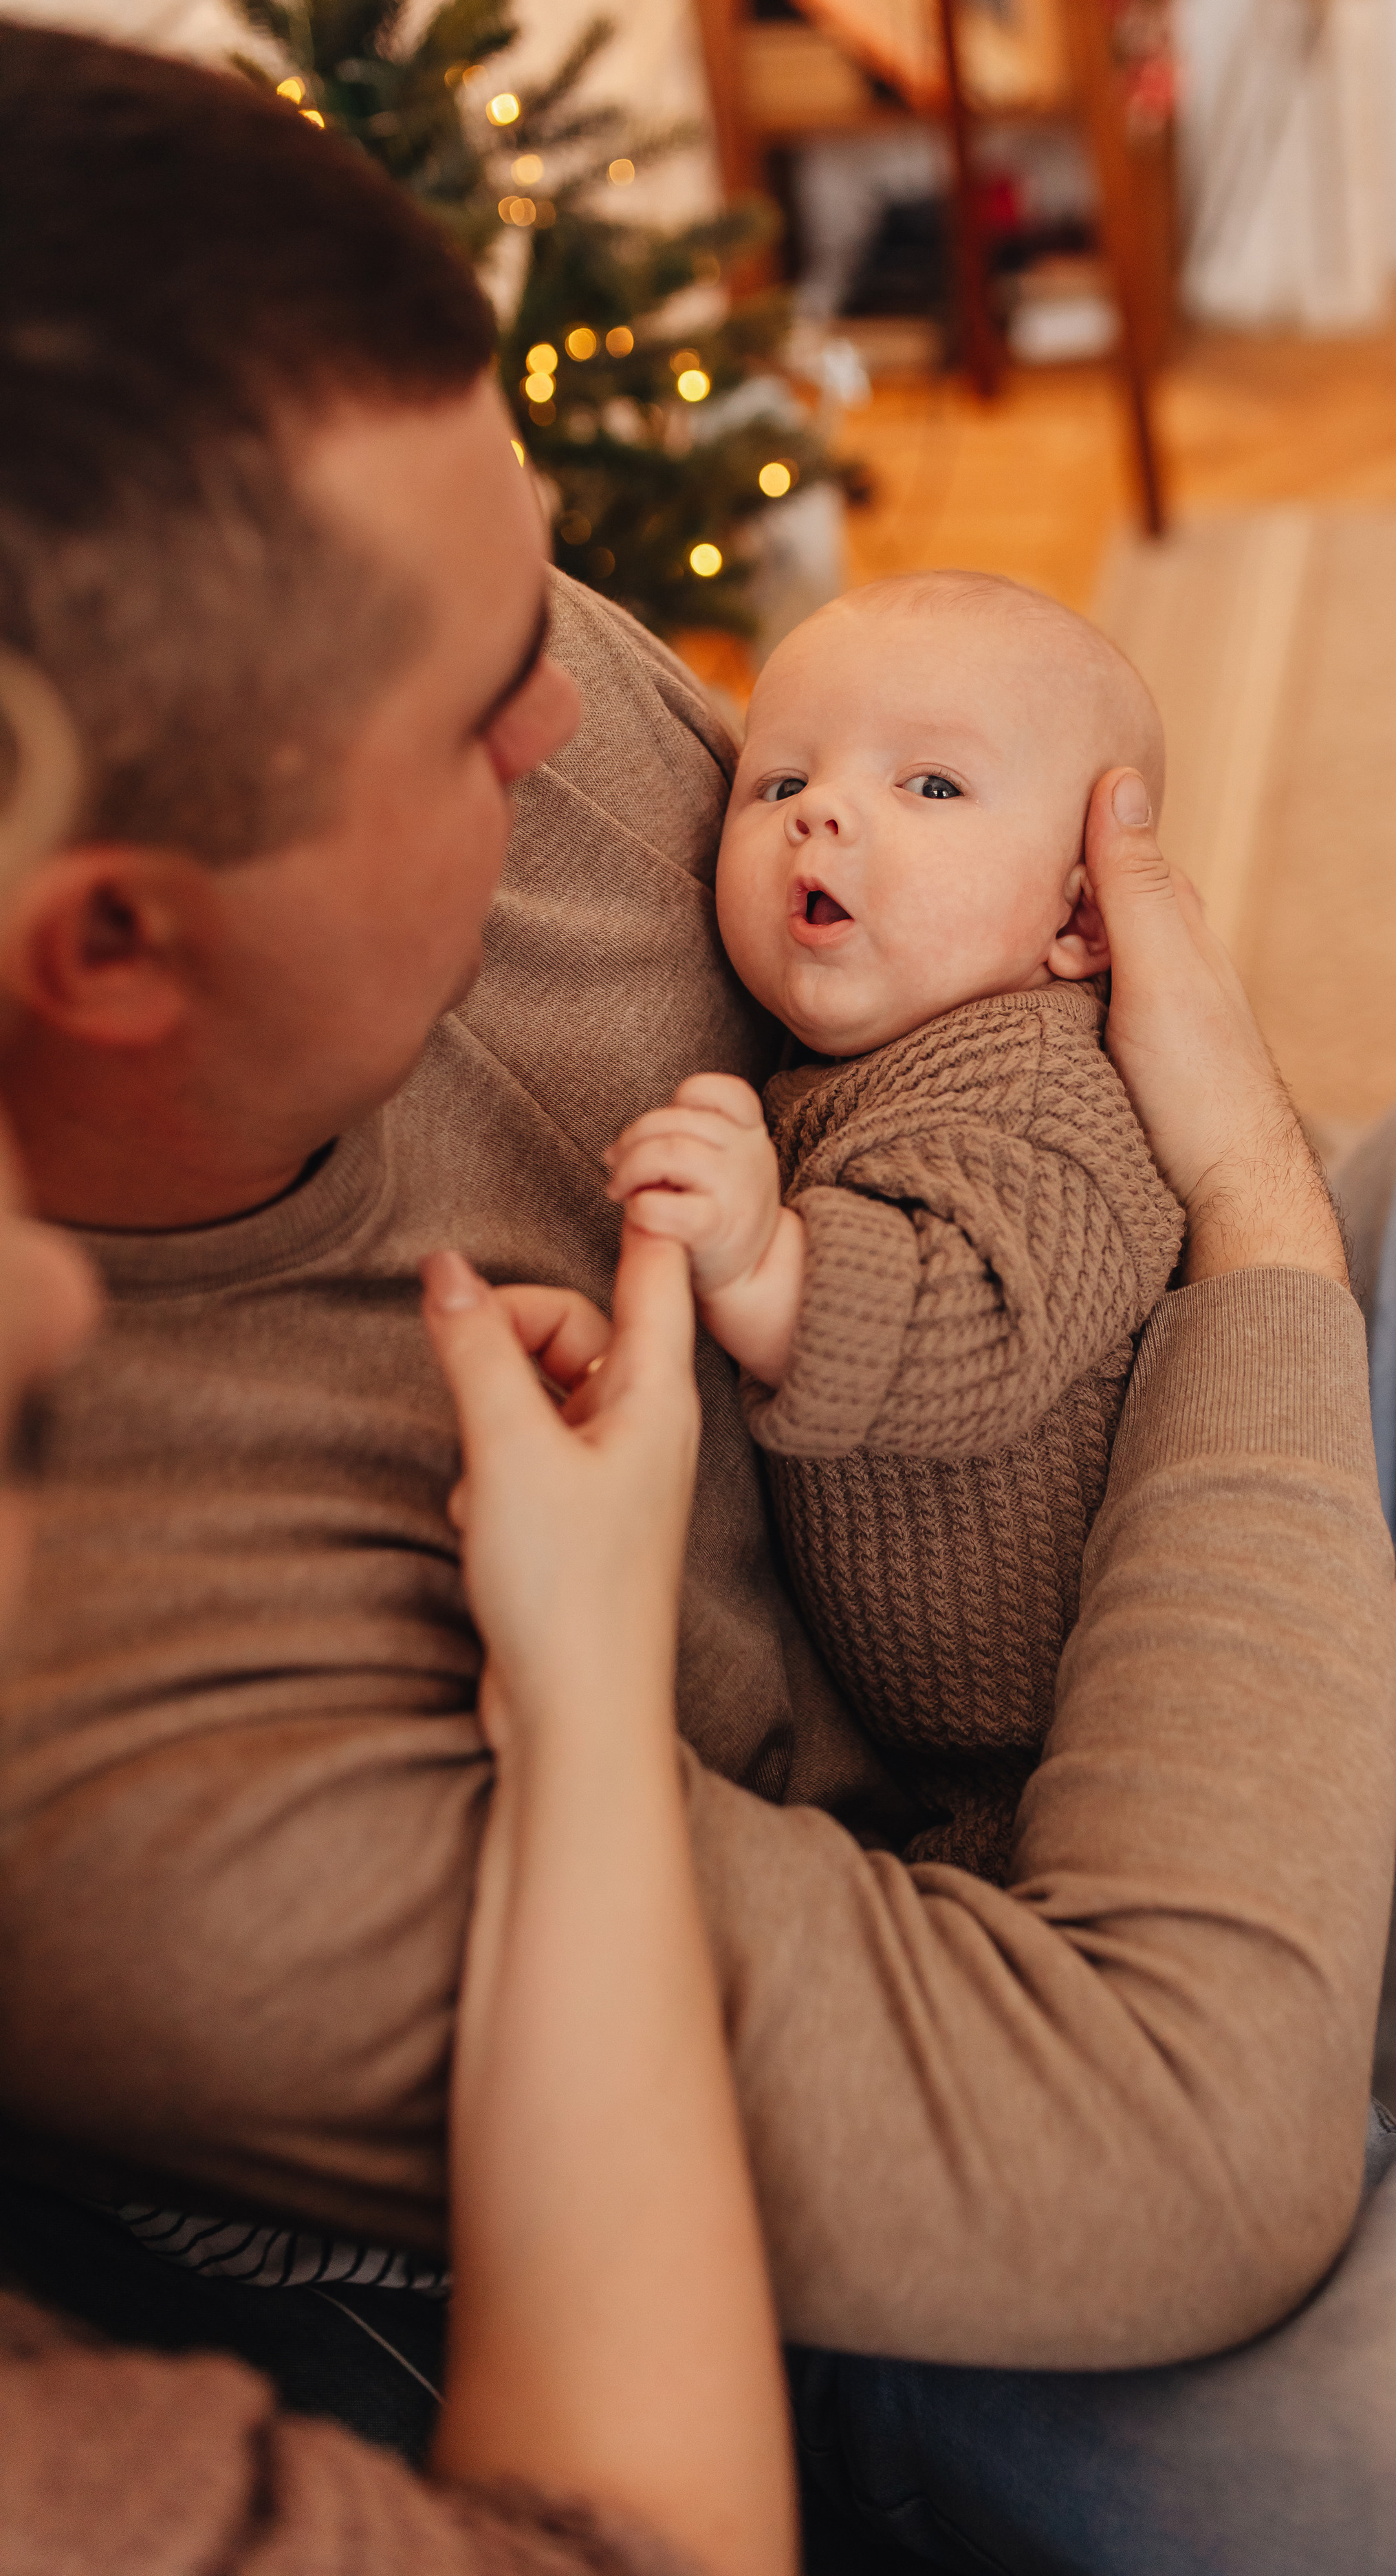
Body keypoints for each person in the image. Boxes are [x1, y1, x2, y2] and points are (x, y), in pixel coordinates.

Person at [4, 14, 1396, 2576]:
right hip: (980, 2051)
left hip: (1060, 1521)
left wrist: (1188, 1363)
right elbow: (1180, 2142)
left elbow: (957, 976)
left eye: (546, 595)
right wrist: (1266, 1240)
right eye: (469, 705)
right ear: (114, 943)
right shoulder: (140, 1752)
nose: (582, 709)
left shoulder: (503, 664)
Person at [0, 647, 796, 2573]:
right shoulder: (179, 1823)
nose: (48, 1308)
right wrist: (591, 1701)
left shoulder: (565, 713)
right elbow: (1187, 2140)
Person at [605, 572, 1186, 1874]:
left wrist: (767, 1265)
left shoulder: (1041, 1086)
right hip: (926, 1753)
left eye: (931, 786)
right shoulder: (843, 1064)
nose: (822, 810)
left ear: (1079, 917)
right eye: (777, 783)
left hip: (1069, 1740)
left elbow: (985, 1310)